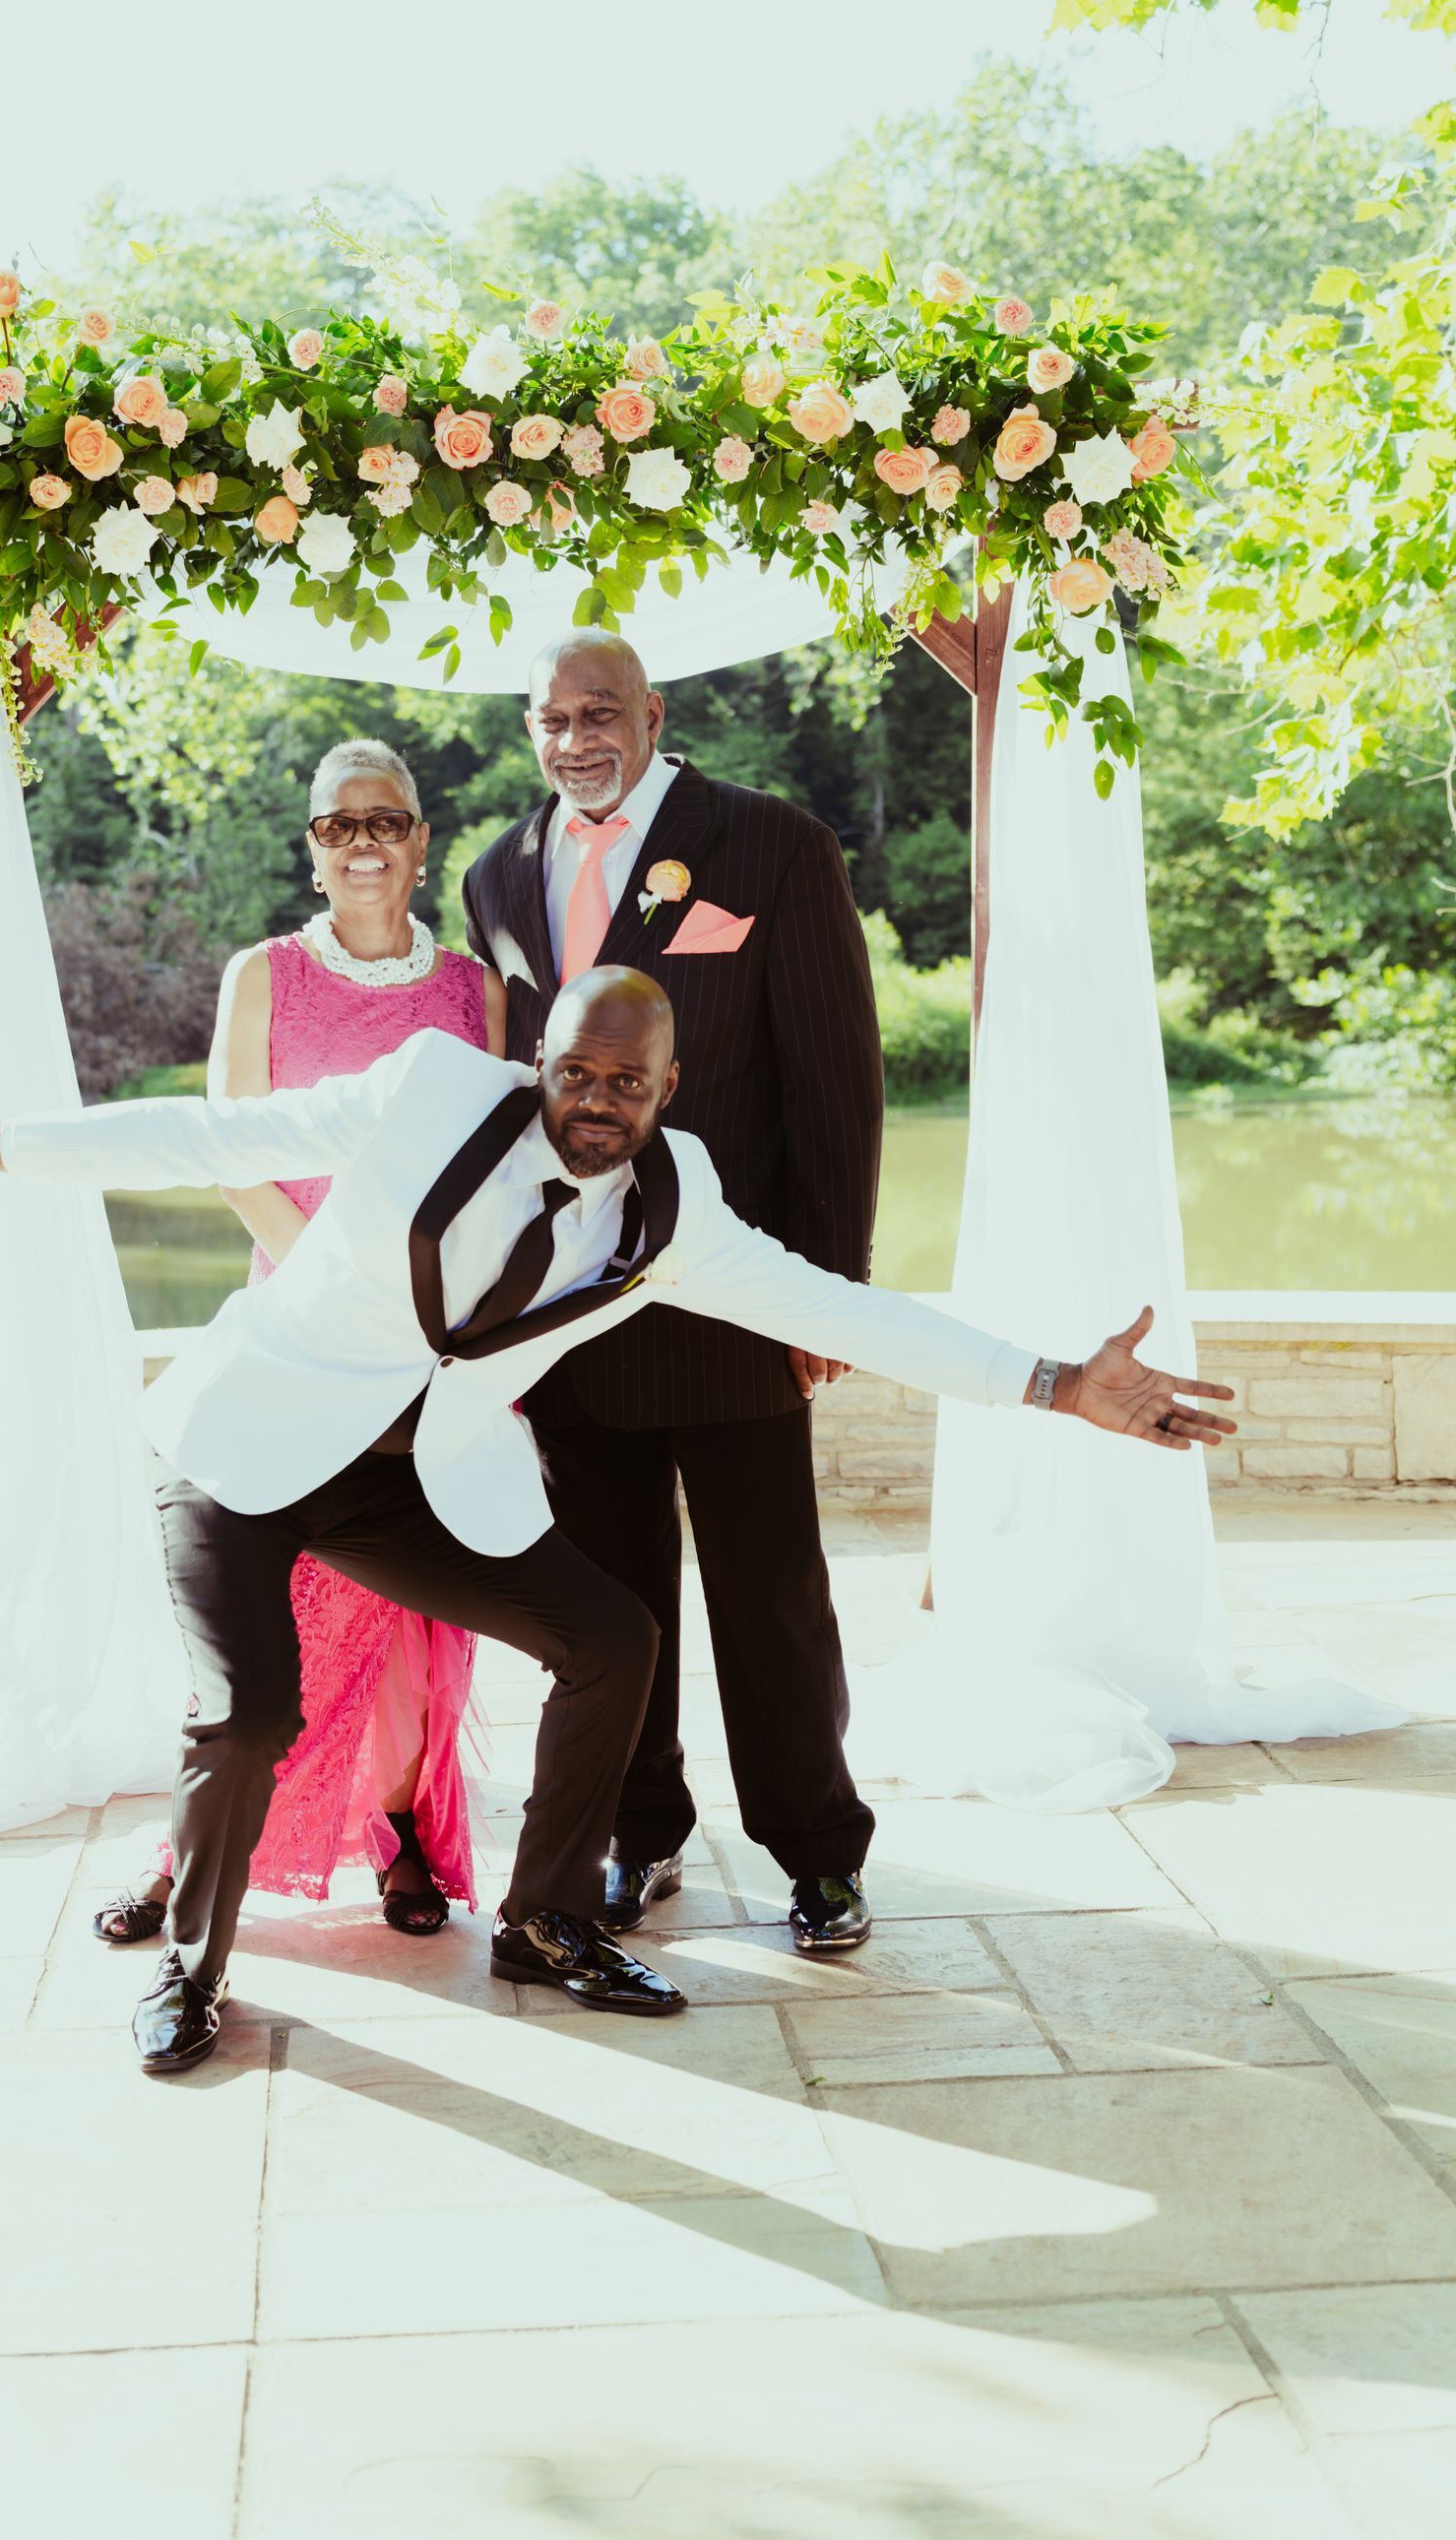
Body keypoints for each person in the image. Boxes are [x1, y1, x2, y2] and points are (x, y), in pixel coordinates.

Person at [0, 968, 1236, 2075]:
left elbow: (838, 1307)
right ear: (539, 1058)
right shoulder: (428, 1089)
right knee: (249, 1715)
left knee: (612, 1638)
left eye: (629, 1079)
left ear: (673, 1086)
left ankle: (548, 1923)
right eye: (575, 1070)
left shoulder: (675, 1213)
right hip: (245, 1447)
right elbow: (209, 1131)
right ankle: (189, 1970)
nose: (596, 1100)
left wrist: (1054, 1383)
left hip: (405, 1477)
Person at [463, 631, 886, 1951]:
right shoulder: (494, 876)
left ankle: (818, 1852)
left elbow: (836, 1082)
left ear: (650, 715)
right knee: (610, 1603)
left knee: (770, 1592)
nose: (576, 737)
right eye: (553, 717)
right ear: (530, 728)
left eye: (601, 712)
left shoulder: (770, 845)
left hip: (735, 1298)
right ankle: (639, 1836)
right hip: (574, 1314)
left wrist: (827, 1296)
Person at [94, 739, 505, 1951]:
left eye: (388, 821)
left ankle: (402, 1833)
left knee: (414, 1615)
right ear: (312, 846)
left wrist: (429, 1304)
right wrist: (336, 1284)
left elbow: (489, 1166)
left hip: (431, 1340)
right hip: (300, 1329)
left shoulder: (474, 989)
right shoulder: (261, 975)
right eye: (339, 825)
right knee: (281, 1609)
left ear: (424, 842)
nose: (365, 841)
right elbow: (234, 1153)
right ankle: (195, 1848)